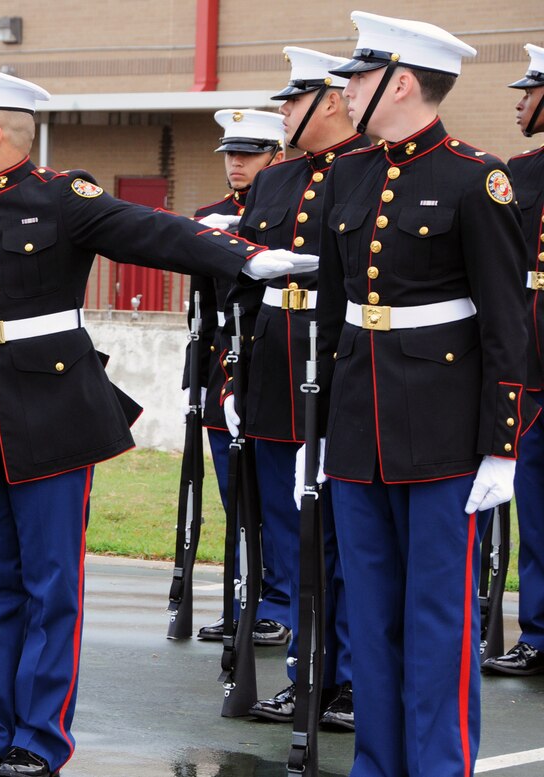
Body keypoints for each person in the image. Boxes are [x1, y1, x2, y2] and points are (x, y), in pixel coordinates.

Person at [0, 63, 318, 777]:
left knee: (48, 589)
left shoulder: (63, 197)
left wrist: (249, 259)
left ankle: (39, 739)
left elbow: (153, 233)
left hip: (53, 417)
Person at [307, 13, 526, 774]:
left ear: (400, 81)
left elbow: (508, 323)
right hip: (360, 427)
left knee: (436, 620)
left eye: (360, 77)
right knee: (369, 617)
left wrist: (502, 444)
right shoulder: (348, 173)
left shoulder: (475, 178)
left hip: (444, 434)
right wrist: (324, 429)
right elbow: (338, 315)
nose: (347, 90)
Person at [225, 46, 368, 730]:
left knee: (339, 539)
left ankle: (340, 677)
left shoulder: (372, 171)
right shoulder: (275, 184)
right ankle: (304, 671)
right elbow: (243, 286)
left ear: (332, 101)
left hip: (343, 372)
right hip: (277, 373)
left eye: (293, 99)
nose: (282, 109)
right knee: (285, 531)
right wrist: (236, 375)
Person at [188, 109, 292, 647]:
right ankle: (244, 598)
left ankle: (282, 604)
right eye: (231, 153)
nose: (236, 163)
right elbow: (204, 307)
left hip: (275, 364)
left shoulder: (291, 209)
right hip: (222, 370)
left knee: (280, 499)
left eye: (249, 153)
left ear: (277, 156)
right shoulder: (207, 216)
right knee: (237, 499)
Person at [483, 43, 544, 677]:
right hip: (530, 370)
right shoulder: (517, 174)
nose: (521, 102)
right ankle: (539, 633)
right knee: (535, 510)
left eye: (531, 90)